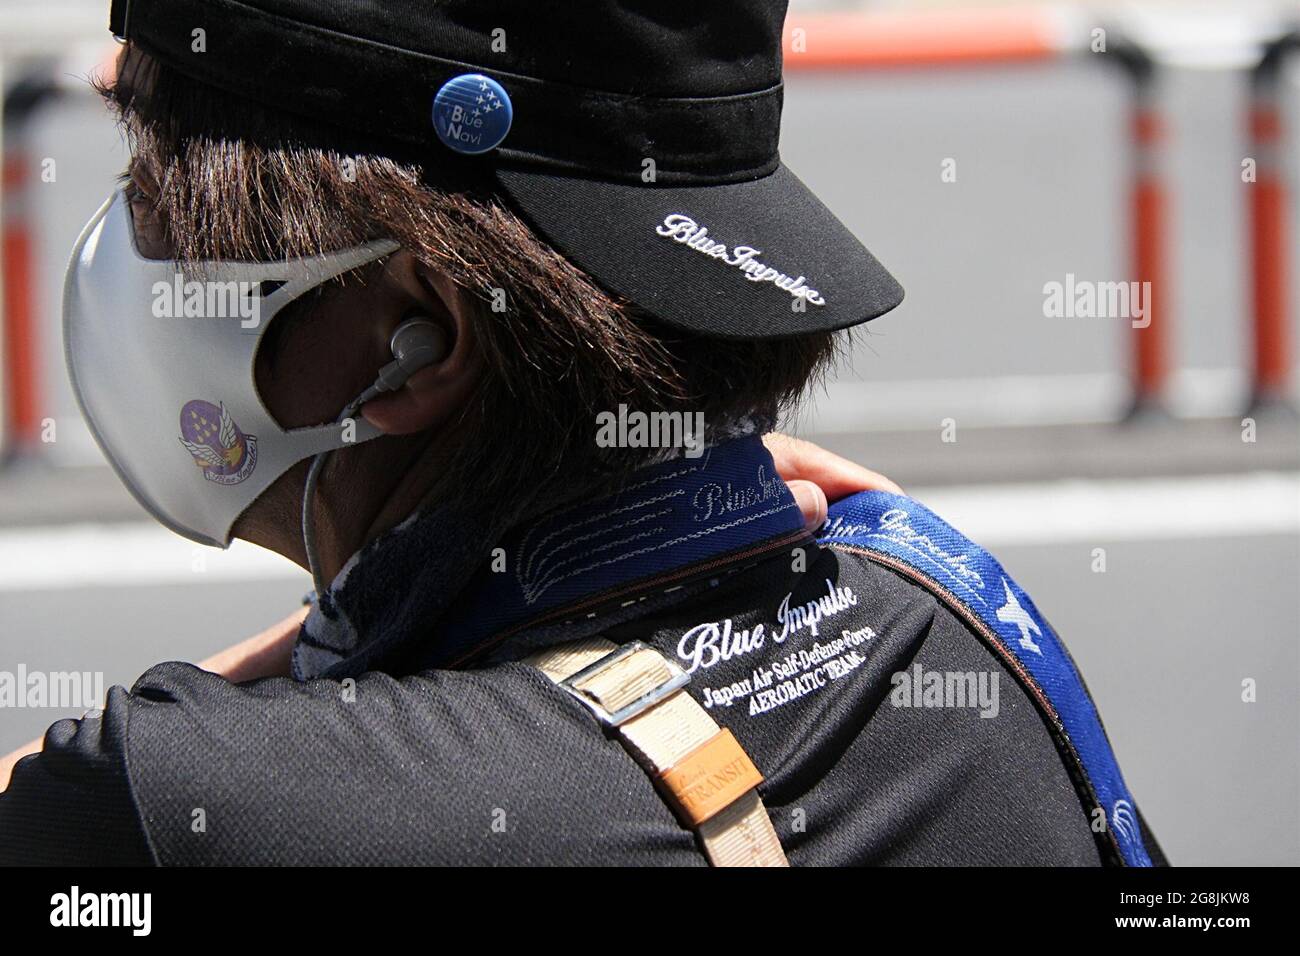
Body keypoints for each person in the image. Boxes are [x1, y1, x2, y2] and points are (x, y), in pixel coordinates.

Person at [0, 0, 1165, 866]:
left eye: (155, 194)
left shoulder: (186, 804)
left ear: (418, 338)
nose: (126, 242)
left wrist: (290, 654)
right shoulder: (955, 618)